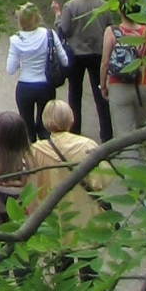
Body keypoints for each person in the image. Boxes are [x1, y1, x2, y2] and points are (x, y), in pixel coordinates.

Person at [22, 99, 104, 246]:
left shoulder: (36, 151)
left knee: (60, 256)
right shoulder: (87, 146)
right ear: (71, 119)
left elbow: (30, 189)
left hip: (54, 220)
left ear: (45, 122)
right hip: (84, 217)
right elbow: (101, 180)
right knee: (87, 255)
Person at [56, 0, 116, 140]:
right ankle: (106, 133)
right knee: (100, 93)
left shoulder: (70, 5)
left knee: (75, 92)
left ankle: (75, 130)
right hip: (97, 52)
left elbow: (65, 29)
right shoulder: (103, 5)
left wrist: (57, 18)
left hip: (76, 53)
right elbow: (109, 27)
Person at [5, 2, 67, 141]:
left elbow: (10, 69)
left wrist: (23, 60)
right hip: (46, 85)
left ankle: (30, 149)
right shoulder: (49, 34)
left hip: (25, 86)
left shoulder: (16, 39)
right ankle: (45, 149)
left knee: (26, 126)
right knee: (45, 124)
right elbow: (64, 60)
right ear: (37, 16)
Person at [102, 0, 146, 160]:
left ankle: (130, 169)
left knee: (124, 135)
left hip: (119, 86)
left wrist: (103, 85)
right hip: (144, 86)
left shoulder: (112, 31)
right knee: (140, 130)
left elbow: (105, 62)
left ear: (120, 10)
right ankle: (143, 165)